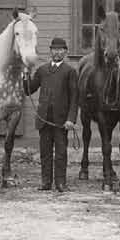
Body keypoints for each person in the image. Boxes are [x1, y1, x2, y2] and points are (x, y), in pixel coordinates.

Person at [25, 37, 78, 192]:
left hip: (61, 121)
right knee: (45, 153)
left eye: (61, 50)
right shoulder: (42, 70)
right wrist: (25, 74)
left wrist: (71, 119)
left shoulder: (70, 71)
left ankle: (61, 183)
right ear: (50, 51)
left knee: (61, 153)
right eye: (55, 49)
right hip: (44, 119)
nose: (57, 52)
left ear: (66, 52)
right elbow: (29, 89)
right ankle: (46, 182)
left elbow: (75, 98)